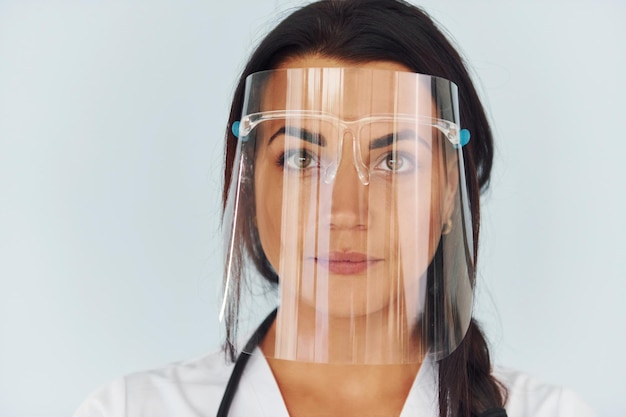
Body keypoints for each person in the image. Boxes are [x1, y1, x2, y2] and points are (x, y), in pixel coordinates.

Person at [74, 0, 597, 416]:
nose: (344, 211)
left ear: (449, 198)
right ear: (251, 184)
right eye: (301, 157)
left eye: (395, 160)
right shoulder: (129, 409)